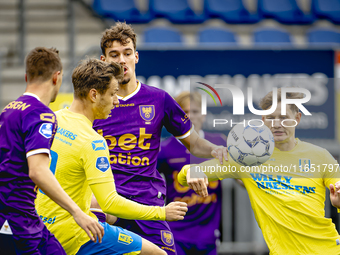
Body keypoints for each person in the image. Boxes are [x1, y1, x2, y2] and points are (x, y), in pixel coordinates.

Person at [93, 22, 227, 254]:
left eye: (127, 53)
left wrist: (214, 149)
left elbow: (193, 142)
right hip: (109, 205)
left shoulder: (159, 99)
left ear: (136, 57)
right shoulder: (94, 104)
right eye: (114, 55)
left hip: (148, 205)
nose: (121, 60)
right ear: (104, 60)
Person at [35, 58, 188, 255]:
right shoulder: (93, 142)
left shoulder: (51, 119)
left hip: (40, 226)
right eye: (113, 94)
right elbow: (111, 202)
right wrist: (162, 212)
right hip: (74, 234)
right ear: (93, 95)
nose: (117, 101)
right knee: (158, 253)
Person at [178, 88, 340, 254]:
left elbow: (338, 186)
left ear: (297, 119)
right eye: (271, 118)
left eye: (284, 118)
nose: (277, 124)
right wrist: (190, 172)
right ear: (263, 120)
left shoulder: (320, 156)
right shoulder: (247, 158)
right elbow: (187, 173)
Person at [0, 47, 103, 255]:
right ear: (57, 77)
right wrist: (77, 212)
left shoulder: (9, 110)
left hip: (25, 216)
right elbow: (38, 171)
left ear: (26, 76)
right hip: (18, 221)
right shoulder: (41, 115)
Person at [158, 91, 226, 255]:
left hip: (208, 233)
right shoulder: (165, 149)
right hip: (176, 232)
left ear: (203, 115)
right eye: (185, 112)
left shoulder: (218, 143)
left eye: (194, 111)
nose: (190, 117)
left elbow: (240, 175)